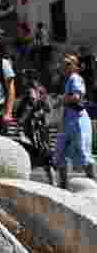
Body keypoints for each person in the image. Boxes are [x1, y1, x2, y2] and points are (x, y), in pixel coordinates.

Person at [53, 53, 94, 188]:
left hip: (78, 119)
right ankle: (63, 186)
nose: (65, 66)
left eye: (68, 64)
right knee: (60, 152)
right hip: (68, 120)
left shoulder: (75, 78)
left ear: (75, 66)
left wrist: (61, 99)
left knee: (83, 153)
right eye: (64, 64)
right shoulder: (66, 80)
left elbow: (77, 97)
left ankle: (93, 184)